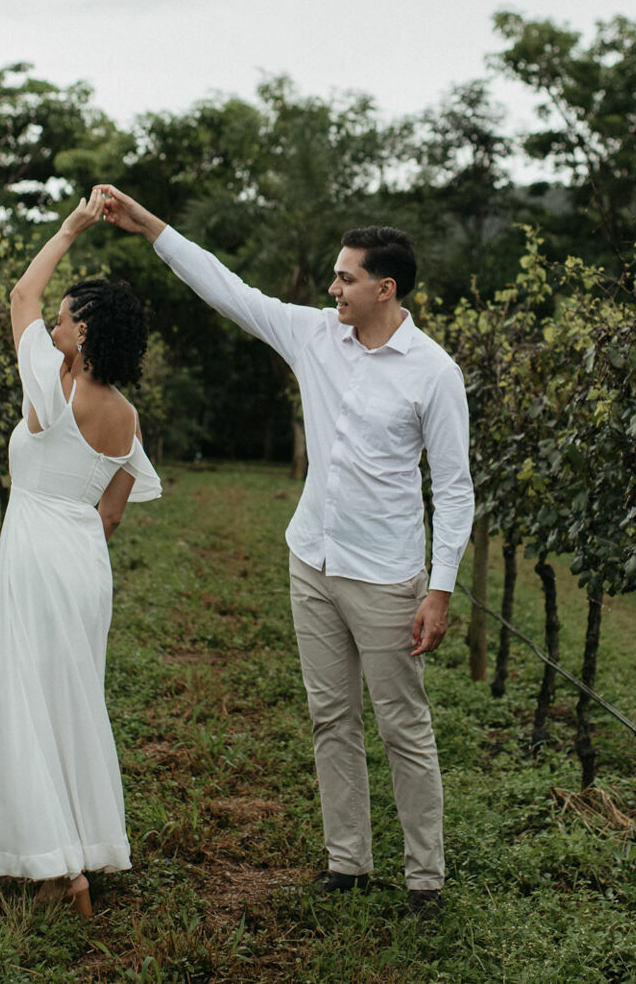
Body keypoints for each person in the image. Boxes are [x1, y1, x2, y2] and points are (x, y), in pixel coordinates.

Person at [97, 185, 472, 922]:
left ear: (384, 288)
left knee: (404, 726)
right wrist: (146, 225)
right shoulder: (312, 335)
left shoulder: (434, 371)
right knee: (331, 718)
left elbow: (454, 491)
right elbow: (227, 289)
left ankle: (424, 878)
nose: (332, 287)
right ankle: (349, 862)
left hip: (388, 576)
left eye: (345, 277)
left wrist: (442, 590)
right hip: (312, 560)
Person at [0, 189, 161, 918]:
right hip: (83, 564)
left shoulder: (49, 386)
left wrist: (71, 228)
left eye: (65, 316)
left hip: (31, 555)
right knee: (71, 701)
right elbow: (111, 512)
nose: (51, 318)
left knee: (23, 703)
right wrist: (74, 550)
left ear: (81, 334)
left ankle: (63, 870)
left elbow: (19, 293)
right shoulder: (125, 415)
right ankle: (77, 844)